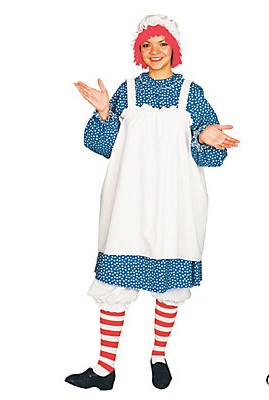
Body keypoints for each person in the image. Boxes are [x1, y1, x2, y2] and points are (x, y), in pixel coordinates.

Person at [66, 14, 240, 391]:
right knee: (115, 280)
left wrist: (205, 138)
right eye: (146, 44)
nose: (154, 51)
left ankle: (158, 356)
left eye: (162, 43)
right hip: (128, 197)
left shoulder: (191, 93)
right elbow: (105, 145)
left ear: (173, 48)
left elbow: (209, 150)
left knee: (168, 281)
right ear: (139, 51)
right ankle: (104, 370)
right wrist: (104, 112)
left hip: (176, 199)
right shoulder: (126, 90)